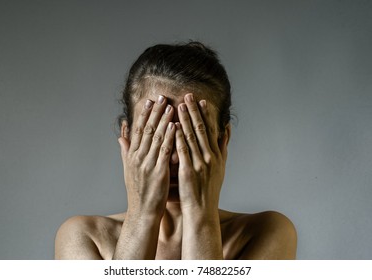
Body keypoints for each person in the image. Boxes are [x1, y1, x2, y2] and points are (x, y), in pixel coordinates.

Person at [54, 42, 297, 259]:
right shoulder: (84, 237)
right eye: (157, 135)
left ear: (222, 139)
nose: (173, 157)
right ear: (127, 135)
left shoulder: (267, 233)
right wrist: (142, 215)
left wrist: (200, 215)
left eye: (191, 136)